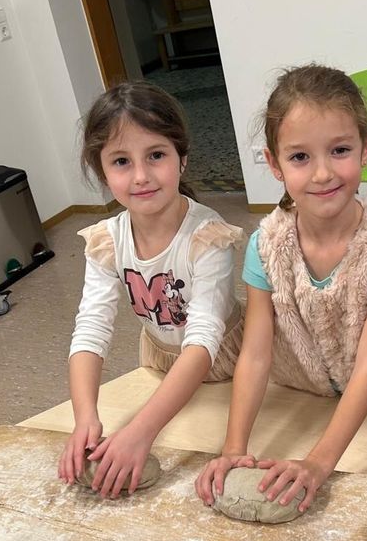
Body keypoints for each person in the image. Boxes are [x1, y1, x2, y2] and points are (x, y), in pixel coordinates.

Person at [195, 64, 367, 513]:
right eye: (300, 157)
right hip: (299, 390)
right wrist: (233, 446)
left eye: (339, 150)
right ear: (274, 163)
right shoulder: (266, 243)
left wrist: (318, 463)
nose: (322, 174)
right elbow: (256, 354)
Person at [58, 81, 244, 497]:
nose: (140, 176)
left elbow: (203, 338)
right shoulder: (107, 240)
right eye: (121, 161)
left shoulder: (206, 236)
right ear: (103, 173)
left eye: (156, 155)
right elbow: (90, 330)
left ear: (182, 159)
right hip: (162, 361)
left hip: (225, 361)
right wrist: (85, 417)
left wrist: (140, 431)